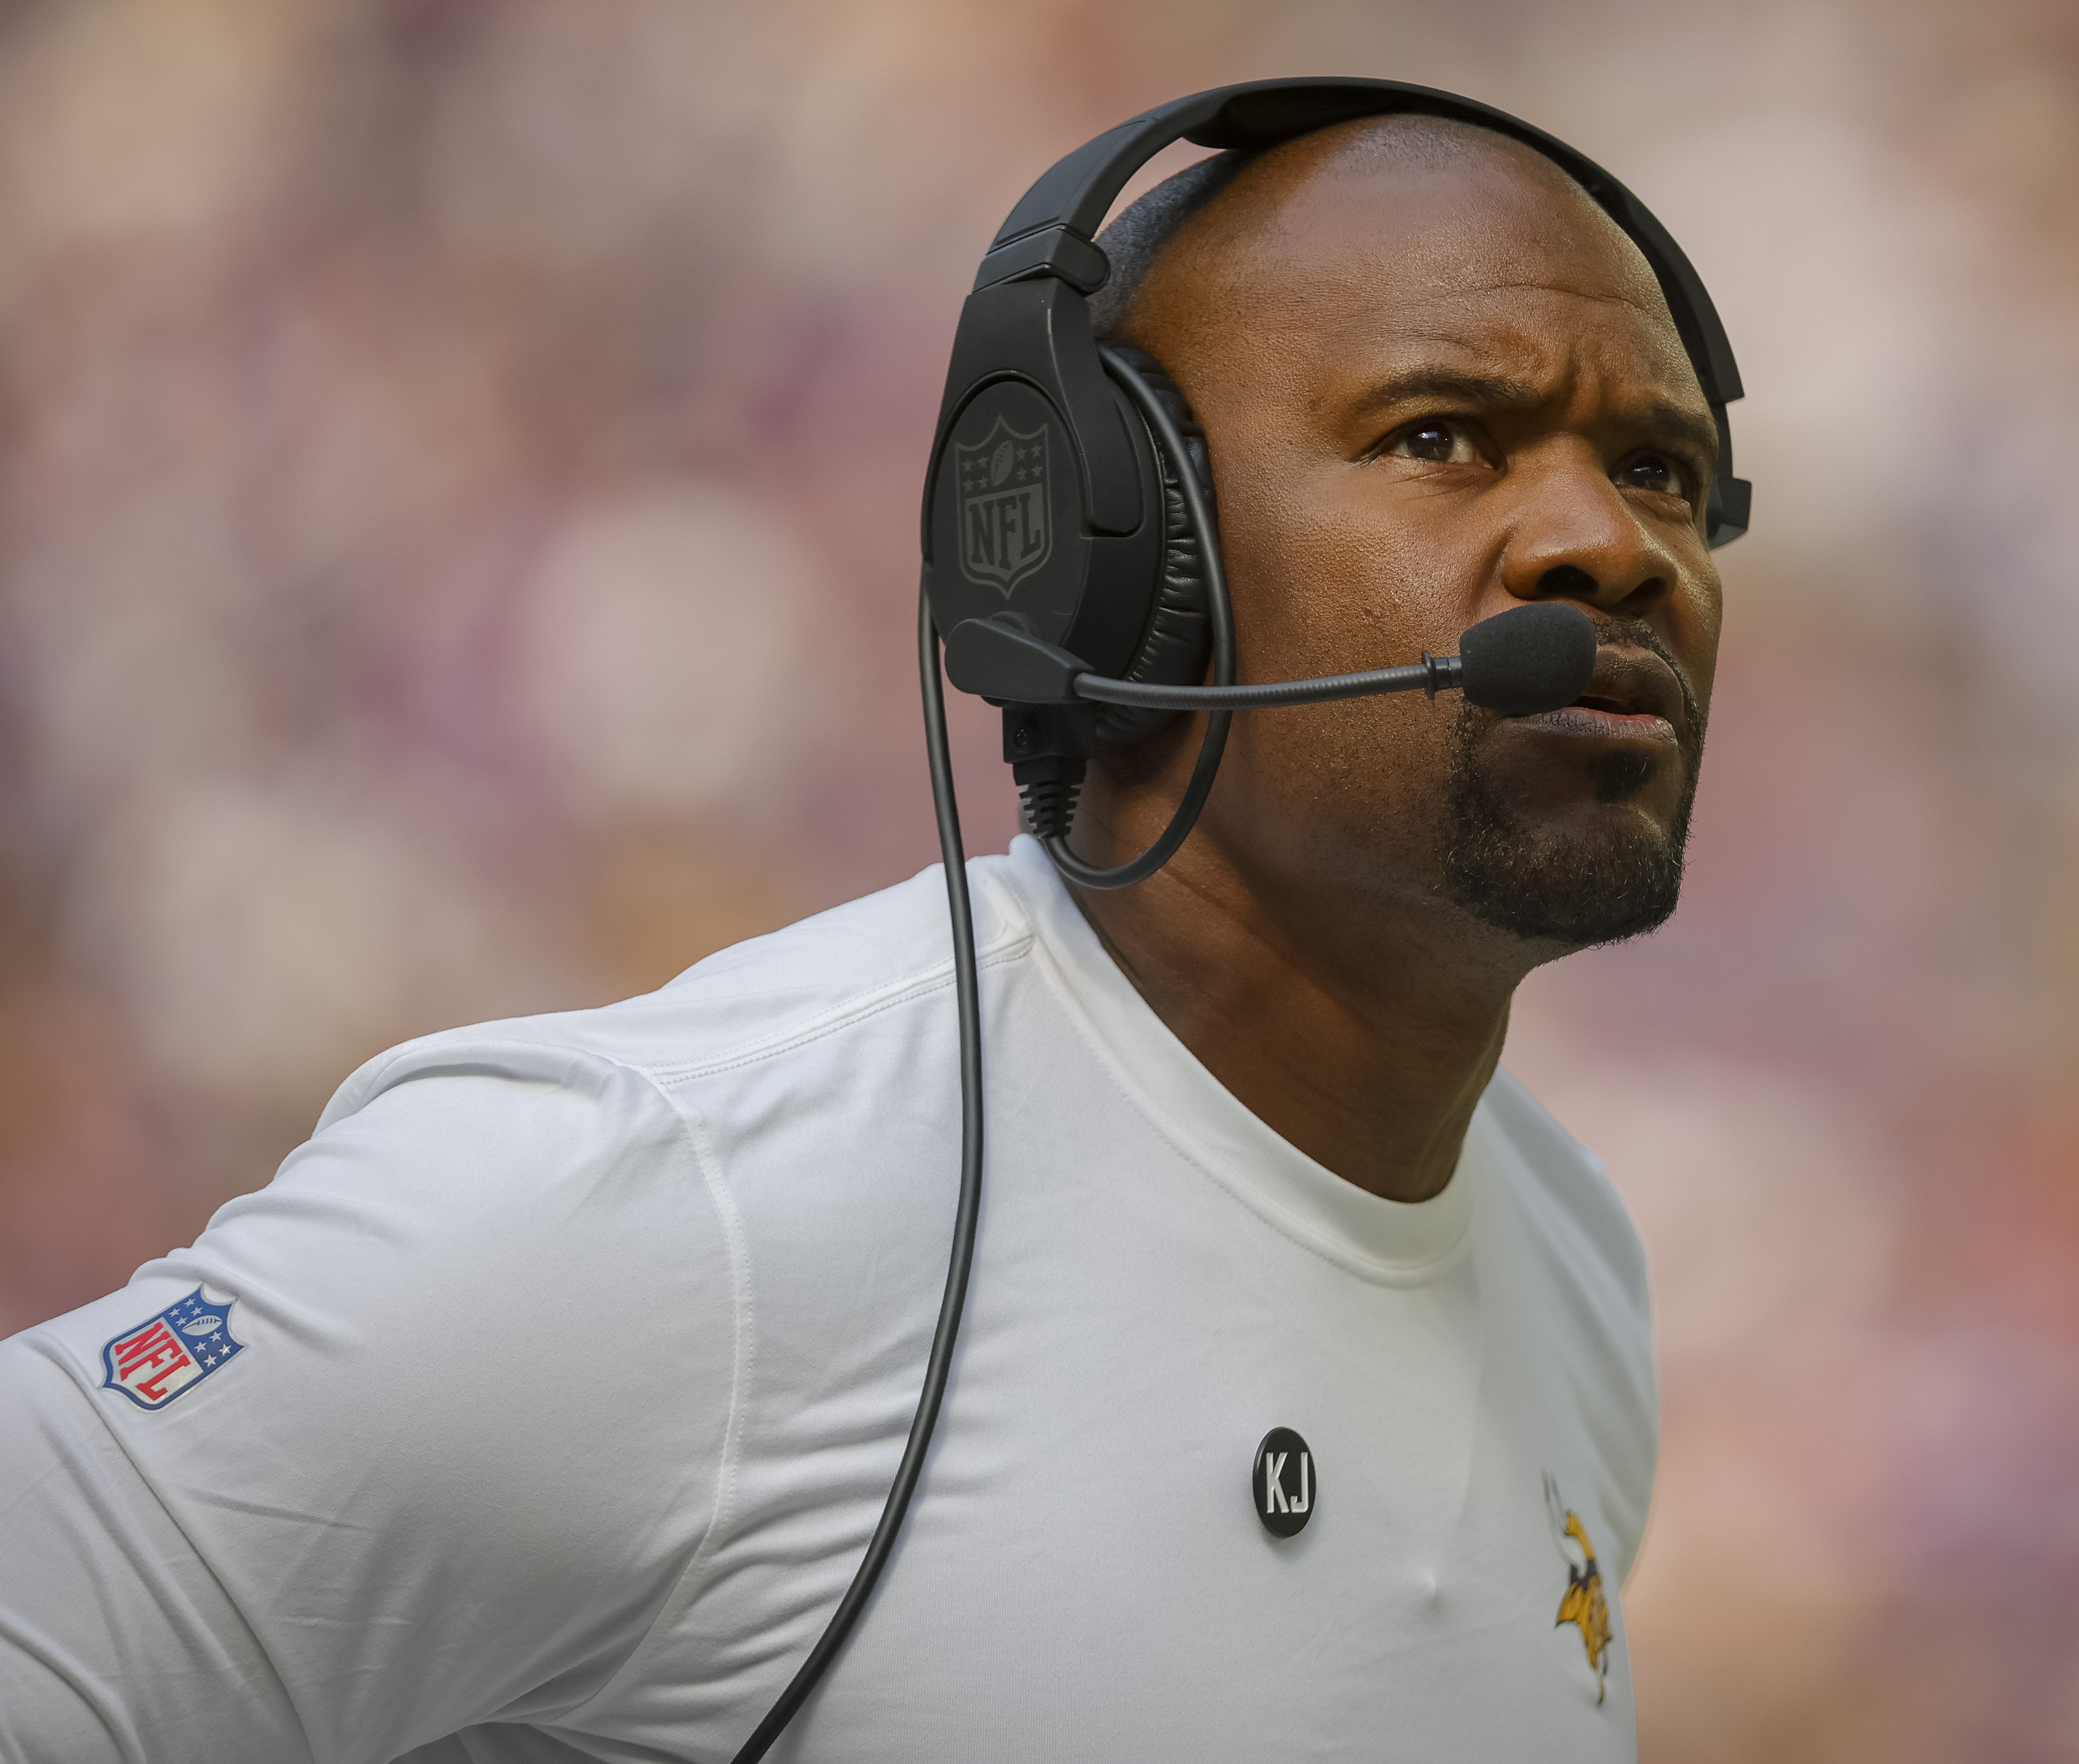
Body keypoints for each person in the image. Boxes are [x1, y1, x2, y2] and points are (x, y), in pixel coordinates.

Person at [0, 103, 1722, 1762]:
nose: (1609, 545)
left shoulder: (1578, 1261)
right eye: (1442, 437)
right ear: (1119, 556)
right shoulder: (675, 1208)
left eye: (1660, 470)